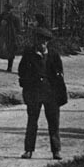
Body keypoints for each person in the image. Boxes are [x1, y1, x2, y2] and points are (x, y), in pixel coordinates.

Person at [17, 25, 67, 159]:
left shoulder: (53, 55)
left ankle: (56, 150)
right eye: (39, 40)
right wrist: (27, 83)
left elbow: (60, 73)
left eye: (44, 41)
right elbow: (21, 70)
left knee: (54, 123)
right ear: (35, 41)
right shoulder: (29, 53)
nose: (42, 43)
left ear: (48, 42)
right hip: (34, 93)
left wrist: (58, 90)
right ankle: (28, 150)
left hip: (51, 93)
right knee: (32, 122)